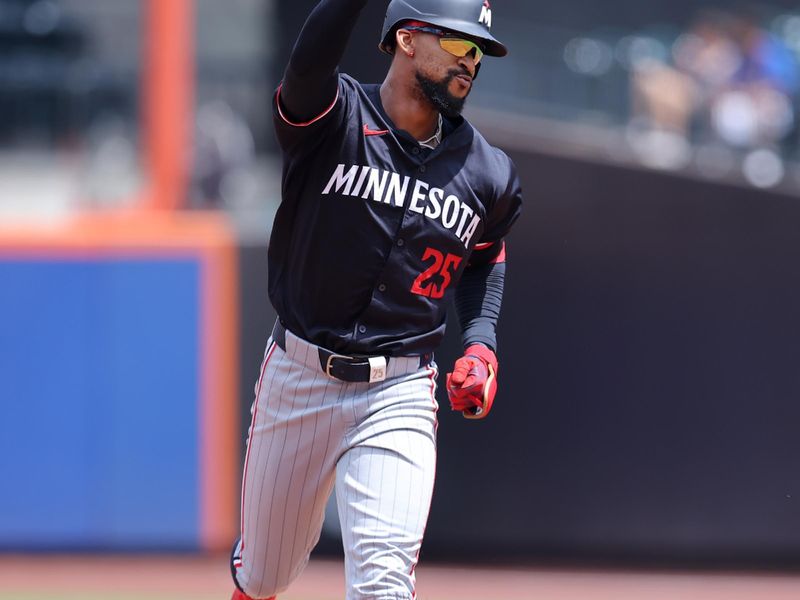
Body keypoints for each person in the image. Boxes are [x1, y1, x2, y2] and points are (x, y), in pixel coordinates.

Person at [230, 0, 522, 598]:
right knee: (265, 574)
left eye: (480, 52)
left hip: (400, 389)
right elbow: (308, 61)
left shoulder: (488, 172)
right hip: (299, 375)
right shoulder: (331, 114)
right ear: (408, 39)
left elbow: (485, 256)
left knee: (384, 581)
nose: (472, 62)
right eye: (461, 44)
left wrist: (481, 343)